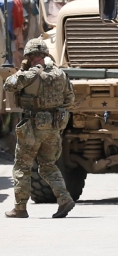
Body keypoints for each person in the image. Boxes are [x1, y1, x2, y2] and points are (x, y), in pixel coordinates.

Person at [4, 38, 75, 219]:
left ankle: (20, 208)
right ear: (45, 54)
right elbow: (70, 99)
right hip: (53, 126)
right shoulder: (60, 74)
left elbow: (9, 85)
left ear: (29, 56)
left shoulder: (29, 75)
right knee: (48, 166)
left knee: (22, 166)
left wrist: (22, 69)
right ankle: (64, 199)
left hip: (32, 126)